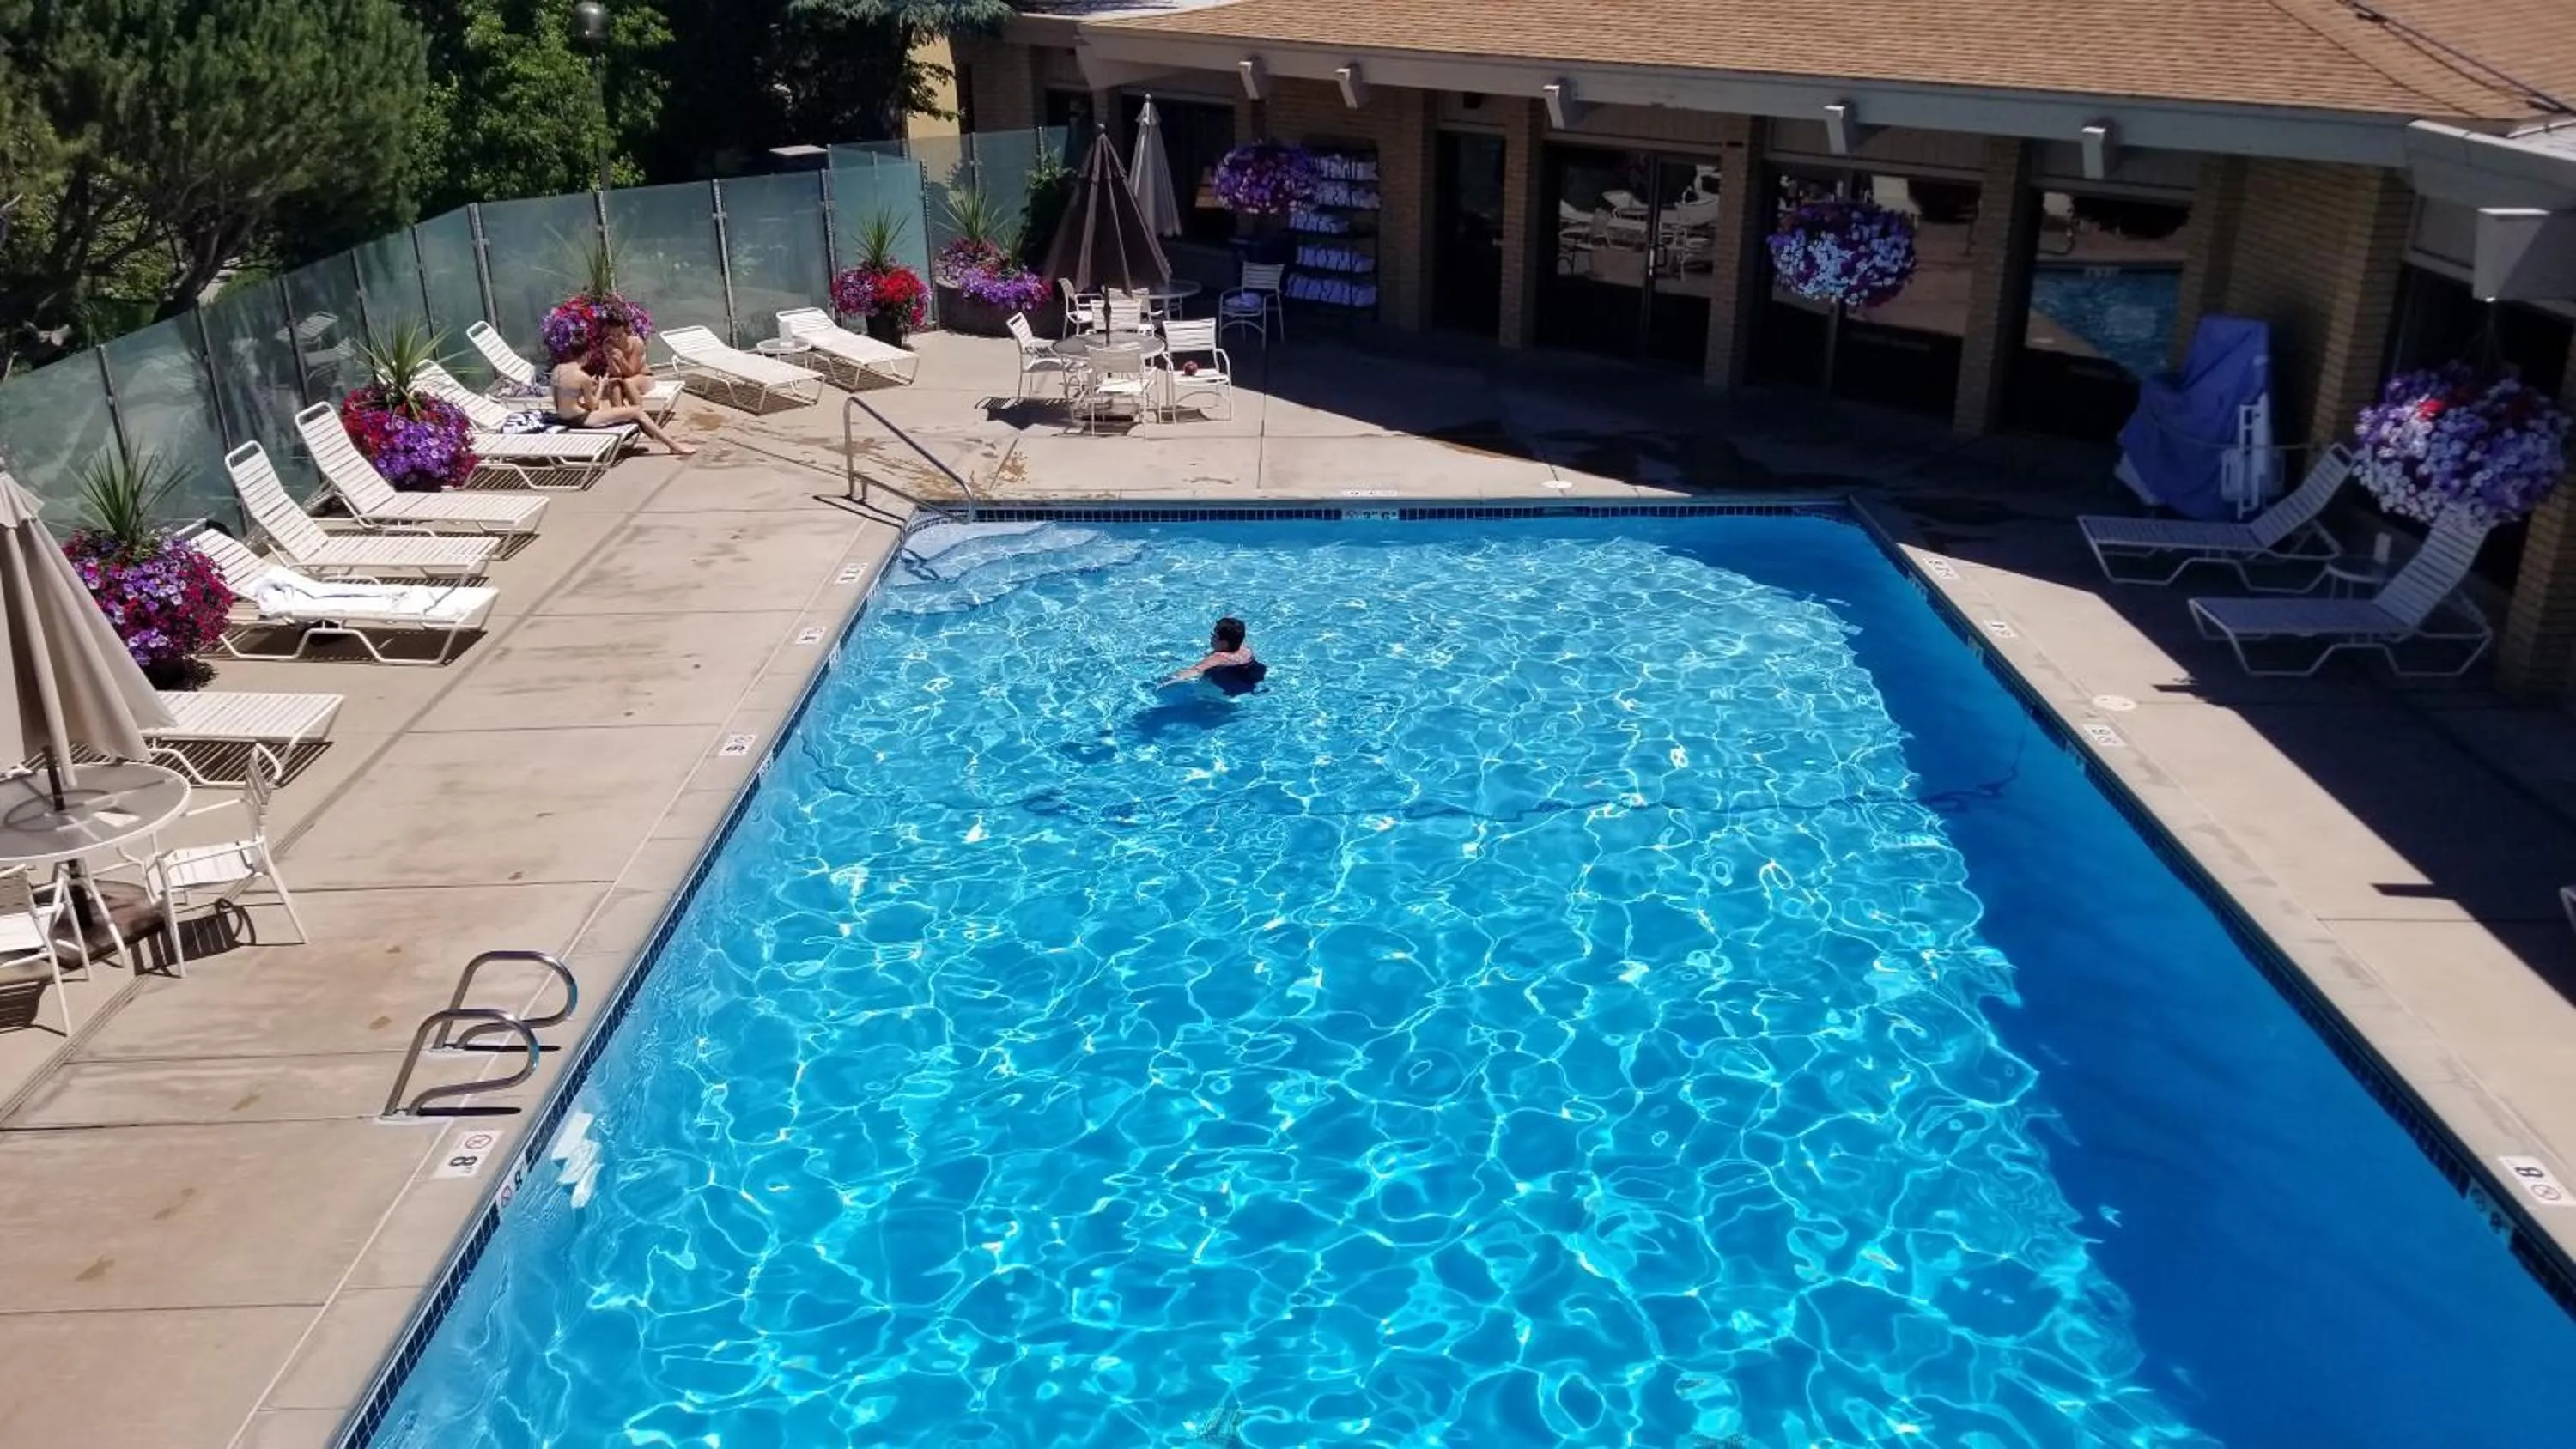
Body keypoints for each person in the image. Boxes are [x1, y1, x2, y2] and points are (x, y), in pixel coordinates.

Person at [550, 357, 697, 456]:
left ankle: (664, 440)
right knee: (637, 411)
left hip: (563, 416)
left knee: (630, 412)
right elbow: (594, 406)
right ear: (586, 355)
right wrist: (601, 385)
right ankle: (674, 446)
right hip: (580, 419)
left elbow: (567, 398)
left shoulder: (557, 370)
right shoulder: (581, 376)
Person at [1166, 616, 1266, 695]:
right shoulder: (1245, 648)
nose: (1211, 637)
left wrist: (1173, 678)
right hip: (1256, 674)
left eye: (1214, 635)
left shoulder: (1219, 657)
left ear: (1225, 643)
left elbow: (1196, 670)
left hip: (1232, 685)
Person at [594, 311, 654, 409]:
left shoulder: (636, 343)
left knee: (628, 382)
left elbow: (631, 373)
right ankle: (621, 417)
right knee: (613, 383)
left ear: (625, 329)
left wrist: (621, 358)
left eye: (618, 334)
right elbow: (616, 373)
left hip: (644, 377)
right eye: (610, 330)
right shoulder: (607, 344)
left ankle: (638, 415)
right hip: (623, 379)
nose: (615, 337)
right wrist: (610, 357)